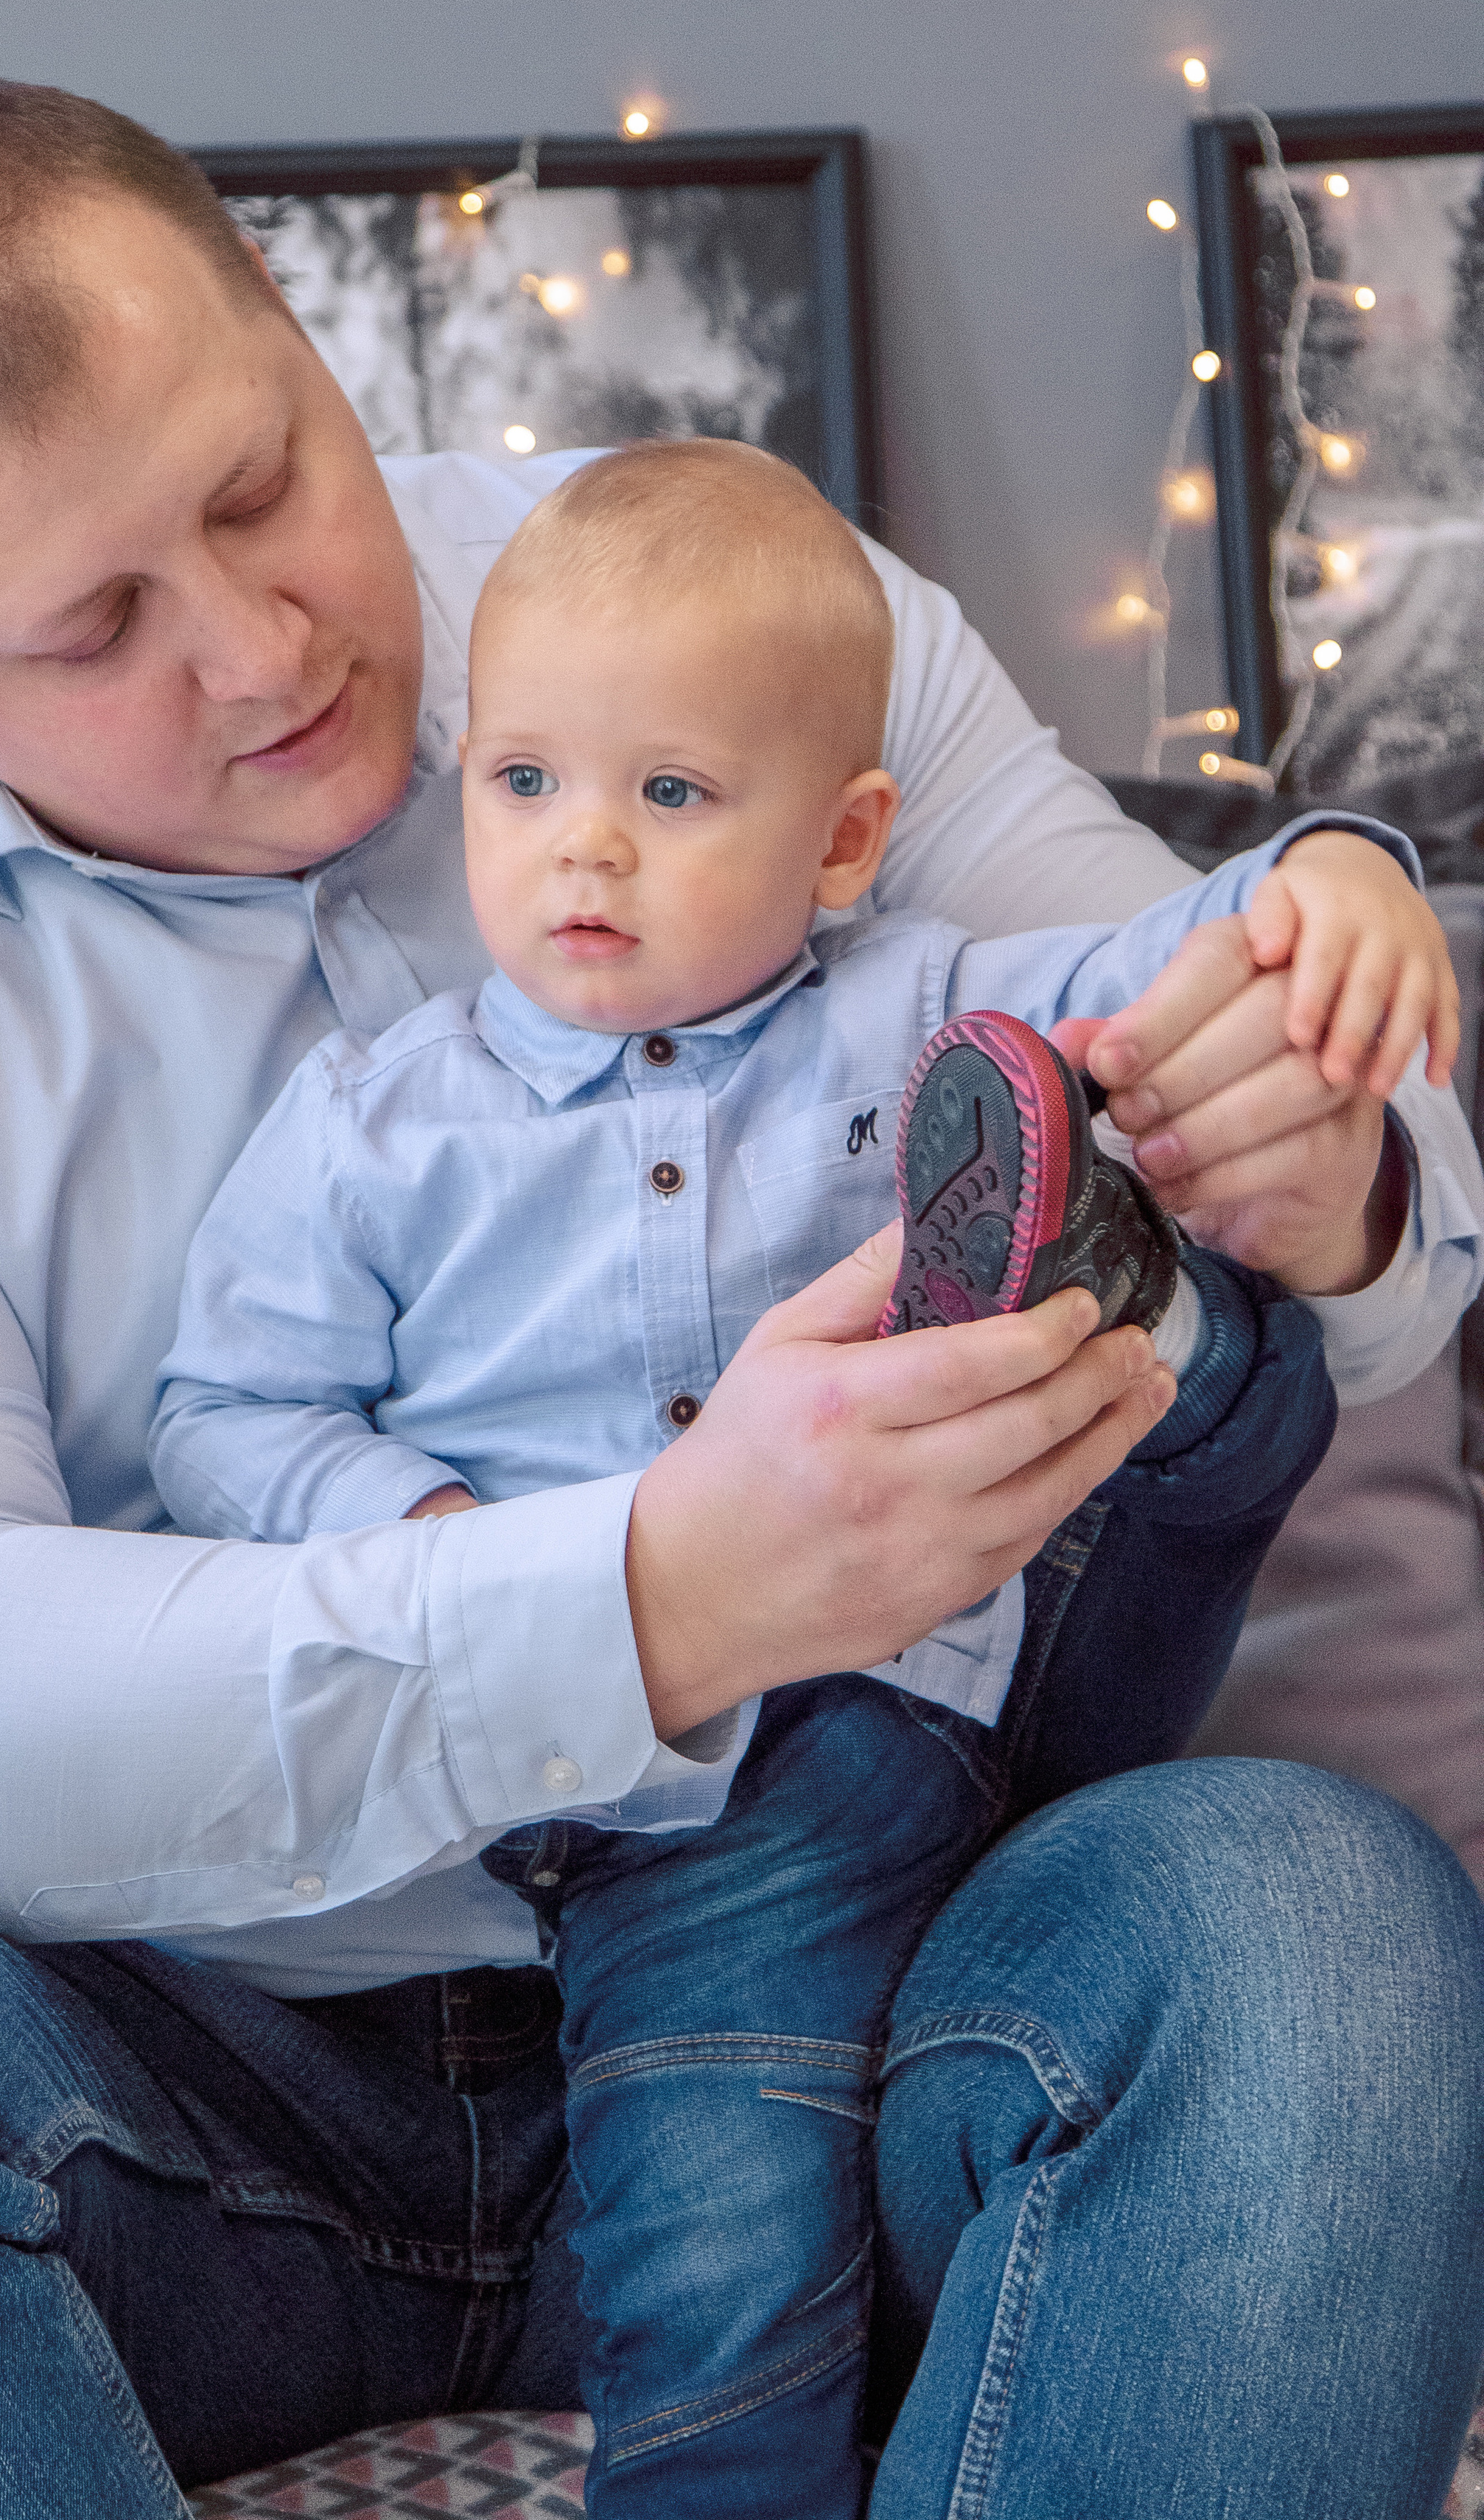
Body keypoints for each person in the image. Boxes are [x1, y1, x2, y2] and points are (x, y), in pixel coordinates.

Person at [0, 79, 1480, 2520]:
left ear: (293, 326)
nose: (268, 648)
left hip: (880, 1946)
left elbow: (1246, 1083)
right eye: (93, 630)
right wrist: (654, 1590)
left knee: (1314, 1922)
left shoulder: (726, 607)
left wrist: (1321, 1158)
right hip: (202, 2071)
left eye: (263, 478)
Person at [145, 436, 1419, 2511]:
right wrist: (450, 1553)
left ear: (842, 842)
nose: (586, 854)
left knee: (1209, 1354)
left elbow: (1178, 963)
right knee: (720, 2200)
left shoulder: (921, 1006)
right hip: (684, 1773)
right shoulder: (376, 1129)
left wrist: (1336, 879)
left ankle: (1135, 1302)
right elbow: (227, 1420)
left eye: (670, 796)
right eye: (527, 783)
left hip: (984, 1672)